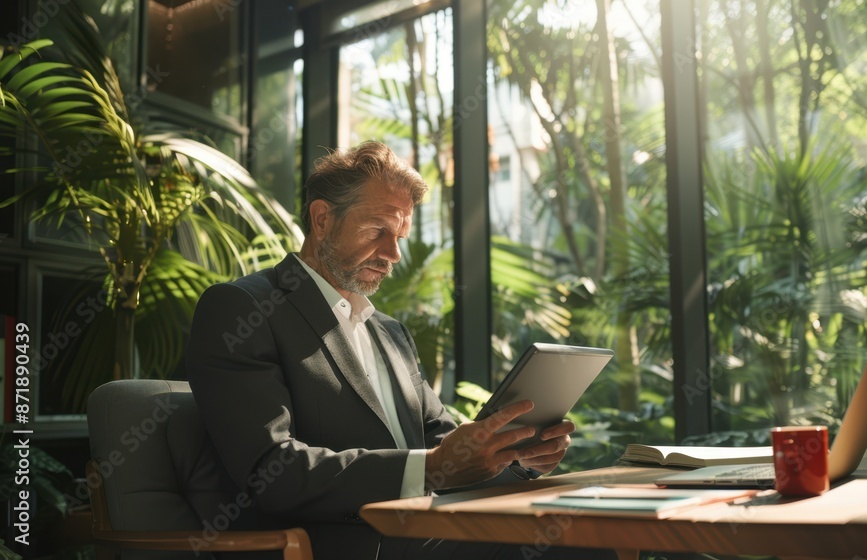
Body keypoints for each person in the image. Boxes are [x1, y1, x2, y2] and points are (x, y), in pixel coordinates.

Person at [186, 141, 616, 559]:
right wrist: (428, 470)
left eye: (400, 236)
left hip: (422, 530)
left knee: (587, 531)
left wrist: (516, 455)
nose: (392, 253)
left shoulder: (391, 334)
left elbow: (443, 444)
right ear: (322, 220)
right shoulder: (244, 308)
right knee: (574, 542)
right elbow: (271, 471)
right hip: (337, 544)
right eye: (378, 231)